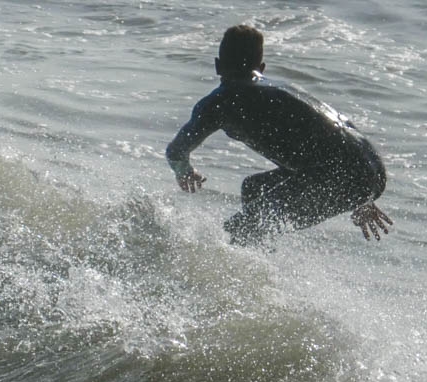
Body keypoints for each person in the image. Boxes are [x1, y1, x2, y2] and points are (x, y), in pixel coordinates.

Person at [166, 24, 393, 244]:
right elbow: (331, 134)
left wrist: (184, 171)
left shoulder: (219, 102)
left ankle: (250, 263)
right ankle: (260, 262)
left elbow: (176, 151)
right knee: (254, 189)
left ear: (217, 65)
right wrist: (365, 189)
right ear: (261, 67)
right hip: (369, 165)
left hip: (343, 175)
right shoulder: (282, 90)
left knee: (237, 230)